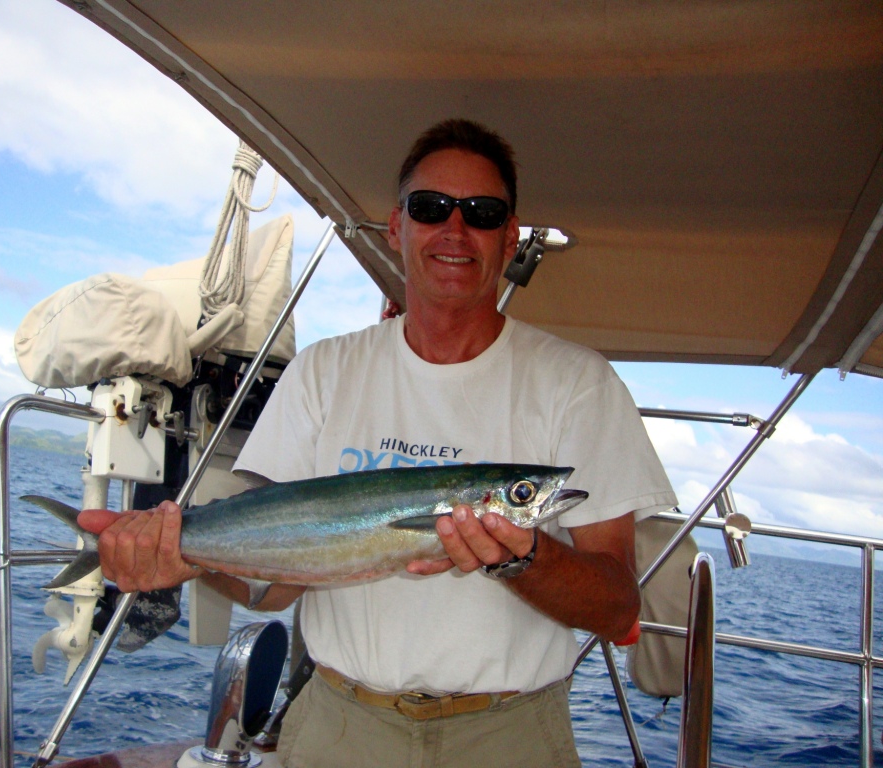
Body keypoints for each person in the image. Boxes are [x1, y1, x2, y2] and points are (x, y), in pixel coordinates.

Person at [79, 119, 677, 767]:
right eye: (430, 209)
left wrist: (520, 557)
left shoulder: (579, 384)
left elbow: (618, 608)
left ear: (509, 238)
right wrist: (187, 558)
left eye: (481, 213)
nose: (454, 230)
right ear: (397, 227)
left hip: (508, 735)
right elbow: (275, 588)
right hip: (338, 726)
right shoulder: (324, 371)